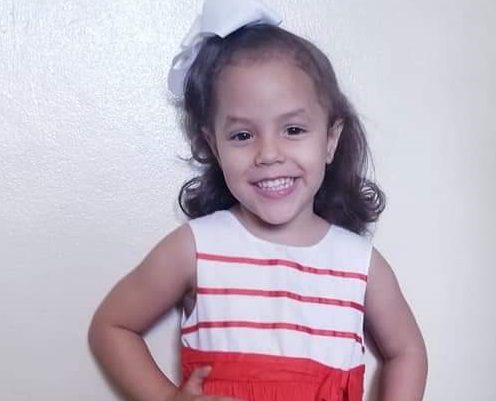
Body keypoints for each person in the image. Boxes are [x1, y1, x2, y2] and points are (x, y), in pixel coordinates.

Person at [88, 1, 428, 400]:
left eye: (294, 129)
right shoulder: (196, 248)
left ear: (331, 139)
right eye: (242, 136)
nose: (268, 154)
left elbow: (407, 351)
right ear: (213, 146)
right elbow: (112, 327)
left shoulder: (360, 264)